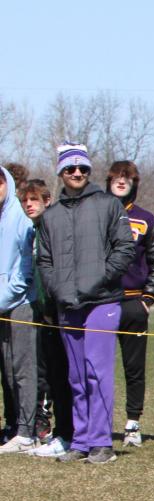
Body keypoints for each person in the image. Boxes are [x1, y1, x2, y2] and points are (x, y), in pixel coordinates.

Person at [36, 143, 135, 464]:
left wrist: (98, 280)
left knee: (97, 373)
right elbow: (45, 261)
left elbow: (124, 250)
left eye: (82, 168)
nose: (77, 173)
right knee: (76, 376)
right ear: (61, 173)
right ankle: (80, 440)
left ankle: (102, 441)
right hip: (68, 305)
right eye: (70, 169)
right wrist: (58, 290)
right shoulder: (50, 216)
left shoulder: (109, 205)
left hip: (102, 302)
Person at [105, 161, 154, 447]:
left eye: (126, 177)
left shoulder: (146, 219)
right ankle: (99, 421)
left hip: (133, 304)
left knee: (134, 367)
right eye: (116, 177)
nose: (121, 181)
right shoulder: (97, 215)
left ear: (135, 182)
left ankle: (133, 422)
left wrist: (148, 299)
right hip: (101, 304)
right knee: (99, 367)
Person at [19, 179, 73, 457]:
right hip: (42, 312)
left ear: (47, 200)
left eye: (34, 199)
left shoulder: (53, 229)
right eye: (25, 201)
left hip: (59, 313)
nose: (29, 205)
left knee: (63, 376)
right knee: (47, 374)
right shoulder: (33, 232)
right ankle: (55, 429)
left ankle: (68, 433)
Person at [0, 166, 39, 453]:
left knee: (23, 370)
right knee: (8, 371)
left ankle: (28, 430)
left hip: (20, 304)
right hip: (2, 306)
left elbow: (24, 271)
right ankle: (13, 425)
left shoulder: (20, 217)